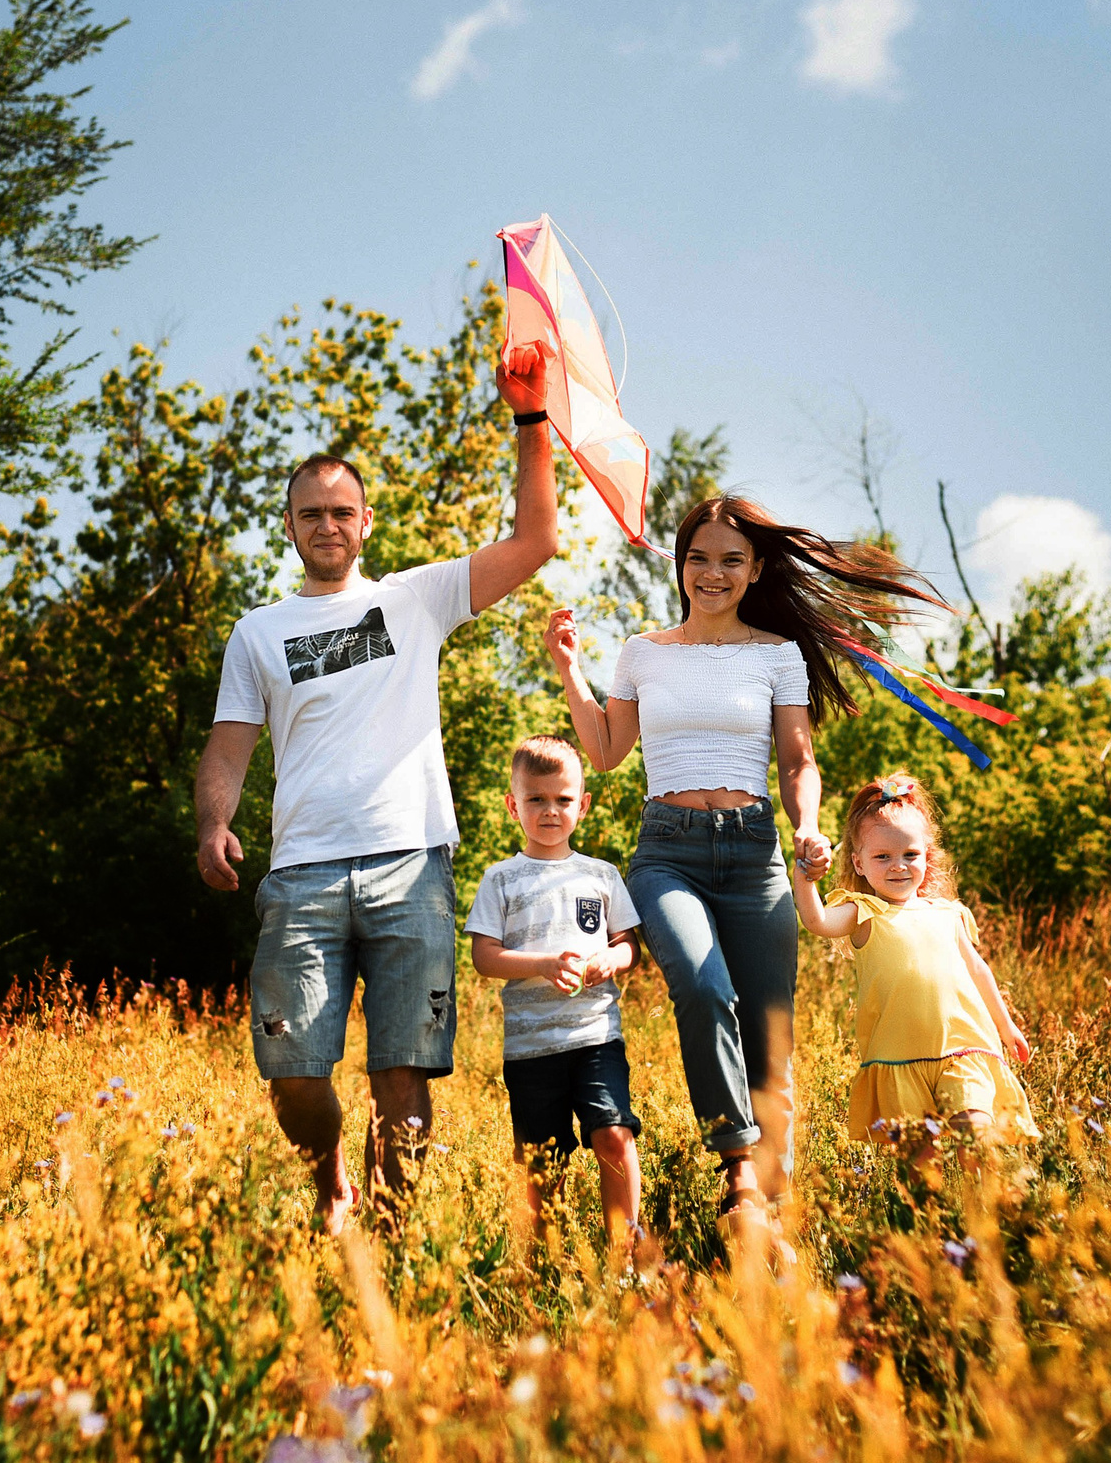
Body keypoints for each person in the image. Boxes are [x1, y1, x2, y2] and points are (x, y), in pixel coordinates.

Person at [194, 349, 557, 1232]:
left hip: (411, 868)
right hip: (304, 873)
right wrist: (213, 825)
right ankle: (331, 1185)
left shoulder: (415, 600)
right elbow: (229, 747)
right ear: (288, 526)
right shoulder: (260, 631)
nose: (328, 525)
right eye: (311, 513)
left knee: (404, 1073)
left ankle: (388, 1250)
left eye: (342, 512)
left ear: (366, 523)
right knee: (293, 1073)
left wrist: (530, 420)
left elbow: (538, 540)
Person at [546, 495, 944, 1232]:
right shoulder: (644, 651)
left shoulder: (776, 654)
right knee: (702, 988)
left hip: (756, 851)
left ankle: (774, 1199)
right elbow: (603, 753)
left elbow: (797, 759)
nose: (713, 573)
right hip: (668, 852)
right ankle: (738, 1174)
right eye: (699, 557)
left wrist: (809, 827)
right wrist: (569, 670)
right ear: (681, 564)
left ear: (757, 569)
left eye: (731, 559)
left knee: (769, 1035)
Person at [792, 775, 1039, 1145]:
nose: (899, 866)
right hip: (899, 1059)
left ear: (927, 855)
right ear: (858, 863)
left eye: (910, 855)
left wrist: (1006, 1028)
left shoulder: (947, 912)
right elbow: (817, 921)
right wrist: (805, 878)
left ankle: (987, 1204)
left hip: (964, 1047)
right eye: (882, 857)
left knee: (977, 1136)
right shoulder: (863, 912)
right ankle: (931, 1205)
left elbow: (977, 969)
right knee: (922, 1166)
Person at [465, 735, 644, 1246]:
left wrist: (613, 957)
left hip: (596, 1038)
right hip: (530, 1049)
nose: (550, 811)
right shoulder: (501, 880)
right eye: (536, 800)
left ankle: (625, 1248)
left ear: (582, 805)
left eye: (563, 800)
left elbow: (626, 944)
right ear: (512, 805)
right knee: (544, 1162)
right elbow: (484, 956)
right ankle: (548, 1256)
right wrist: (544, 964)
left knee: (613, 1133)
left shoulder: (601, 875)